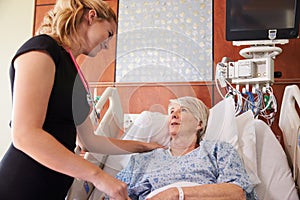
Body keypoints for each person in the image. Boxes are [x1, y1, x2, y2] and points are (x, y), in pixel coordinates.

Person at [0, 0, 162, 200]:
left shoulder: (75, 74)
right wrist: (98, 176)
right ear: (91, 16)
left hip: (52, 189)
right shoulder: (42, 48)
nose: (107, 45)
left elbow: (89, 141)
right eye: (109, 34)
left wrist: (143, 146)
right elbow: (25, 135)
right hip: (21, 185)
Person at [115, 96, 258, 200]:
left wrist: (177, 194)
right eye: (171, 112)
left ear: (199, 124)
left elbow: (237, 193)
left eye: (182, 110)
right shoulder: (144, 160)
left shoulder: (217, 151)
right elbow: (113, 194)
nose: (173, 115)